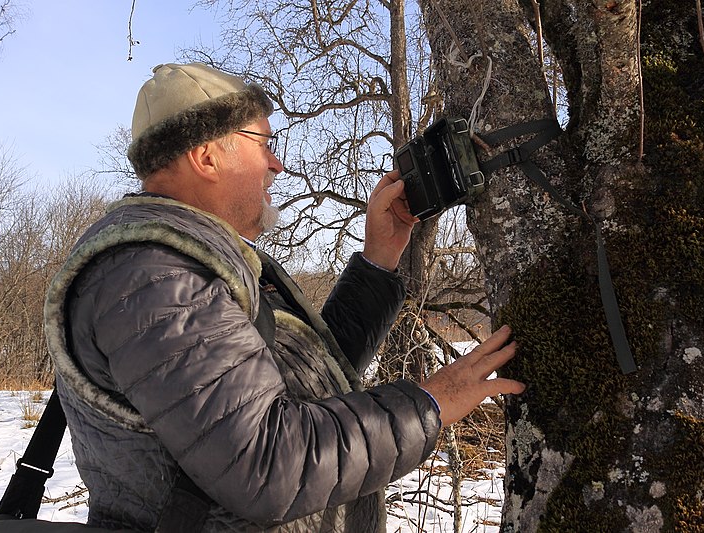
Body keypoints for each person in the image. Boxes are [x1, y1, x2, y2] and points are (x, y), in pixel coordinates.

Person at [44, 62, 525, 532]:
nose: (276, 163)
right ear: (206, 156)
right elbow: (266, 465)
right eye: (264, 144)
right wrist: (429, 403)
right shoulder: (153, 277)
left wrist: (379, 257)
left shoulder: (193, 258)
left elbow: (307, 382)